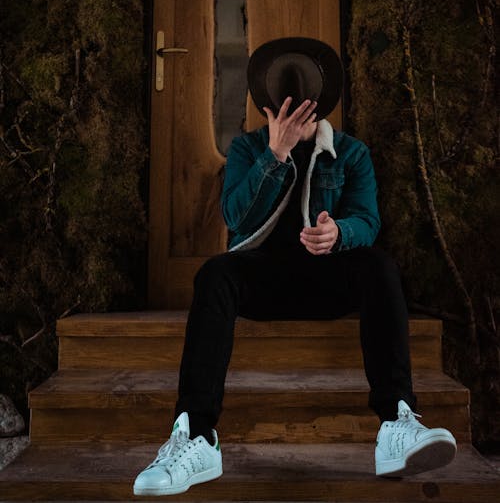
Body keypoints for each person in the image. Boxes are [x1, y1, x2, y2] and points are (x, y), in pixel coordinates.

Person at [133, 37, 457, 497]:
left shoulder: (351, 153)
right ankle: (198, 437)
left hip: (326, 279)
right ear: (267, 107)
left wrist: (338, 233)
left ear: (318, 106)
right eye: (281, 107)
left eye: (302, 107)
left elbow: (367, 221)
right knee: (214, 273)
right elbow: (236, 220)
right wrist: (275, 155)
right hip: (264, 280)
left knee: (380, 266)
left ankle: (396, 424)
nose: (291, 116)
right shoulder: (246, 150)